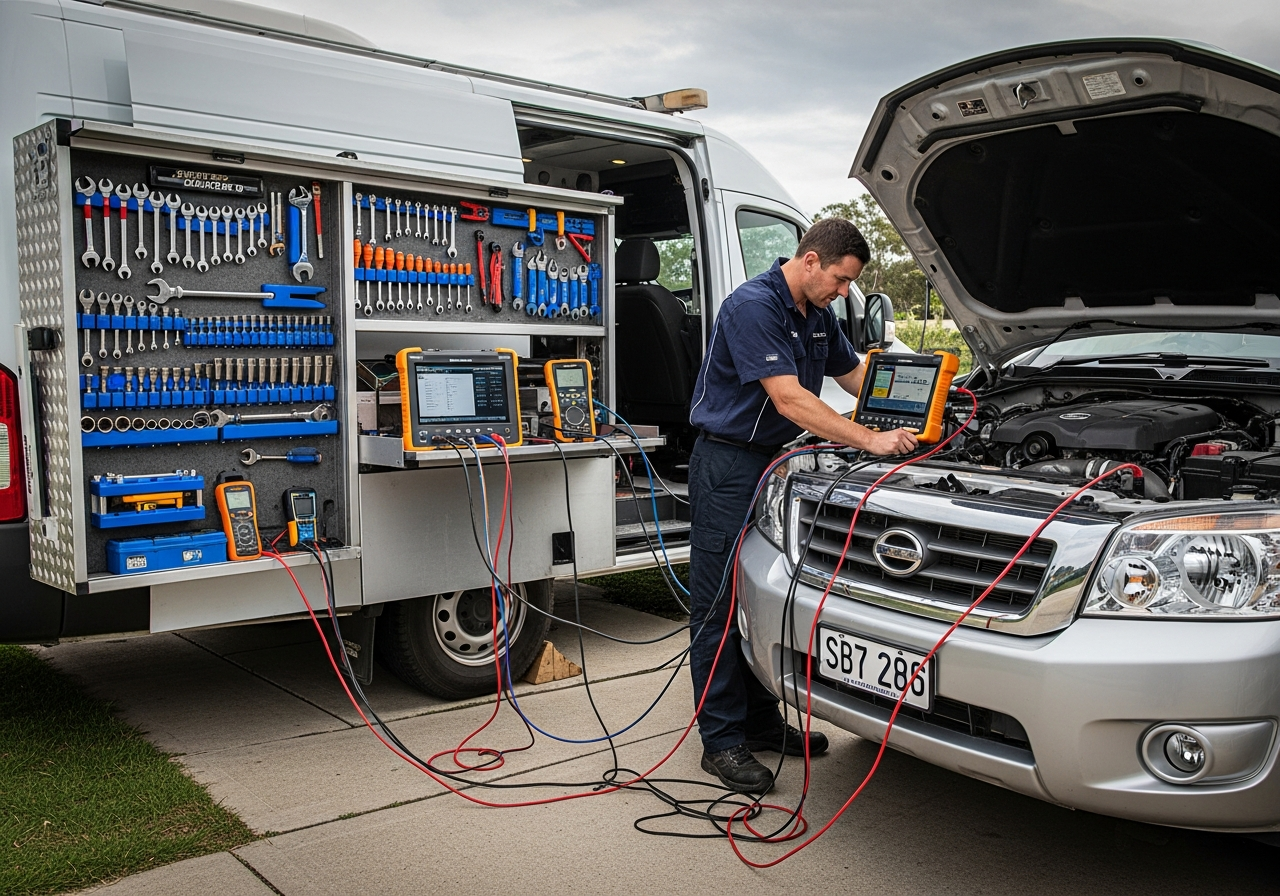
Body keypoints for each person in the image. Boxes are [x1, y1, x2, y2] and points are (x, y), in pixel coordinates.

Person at [686, 217, 918, 793]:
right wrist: (870, 440)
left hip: (774, 466)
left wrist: (926, 403)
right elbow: (789, 398)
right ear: (810, 260)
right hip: (728, 465)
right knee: (718, 602)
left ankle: (761, 721)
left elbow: (858, 377)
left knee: (761, 593)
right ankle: (721, 740)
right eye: (841, 279)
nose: (844, 291)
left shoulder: (818, 315)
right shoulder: (754, 307)